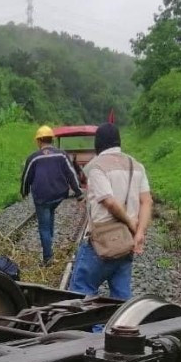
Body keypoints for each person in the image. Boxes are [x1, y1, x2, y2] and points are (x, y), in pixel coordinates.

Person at [67, 123, 152, 300]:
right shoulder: (136, 165)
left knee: (82, 289)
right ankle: (119, 327)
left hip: (102, 241)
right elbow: (147, 201)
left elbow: (109, 202)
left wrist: (129, 221)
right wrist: (140, 232)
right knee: (121, 294)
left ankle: (94, 328)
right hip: (127, 241)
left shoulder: (96, 166)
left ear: (98, 144)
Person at [20, 125, 81, 266]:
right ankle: (50, 245)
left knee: (44, 226)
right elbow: (71, 173)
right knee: (50, 214)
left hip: (42, 197)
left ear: (39, 140)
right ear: (51, 139)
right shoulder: (62, 155)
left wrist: (24, 191)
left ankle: (48, 258)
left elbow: (26, 177)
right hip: (58, 195)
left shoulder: (34, 158)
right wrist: (78, 192)